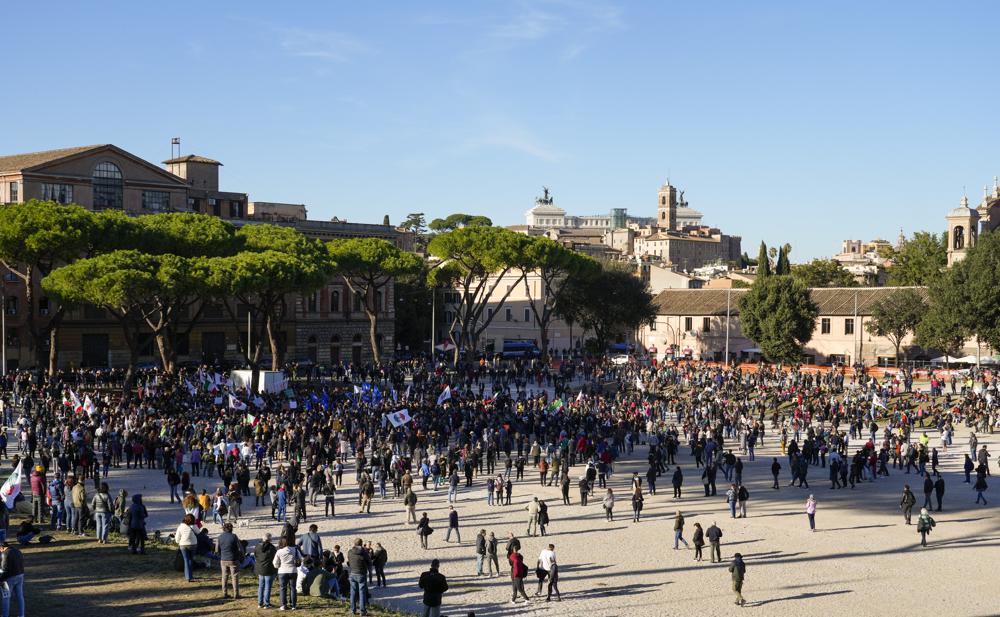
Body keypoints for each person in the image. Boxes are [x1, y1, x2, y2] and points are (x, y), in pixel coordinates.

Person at [273, 536, 303, 610]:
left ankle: (283, 605)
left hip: (282, 571)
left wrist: (278, 566)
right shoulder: (295, 550)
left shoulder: (279, 551)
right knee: (293, 588)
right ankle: (293, 605)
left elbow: (275, 563)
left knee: (283, 588)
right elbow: (300, 559)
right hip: (293, 571)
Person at [215, 522, 243, 599]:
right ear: (231, 529)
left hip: (223, 559)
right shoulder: (234, 536)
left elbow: (217, 550)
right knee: (234, 577)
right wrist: (241, 555)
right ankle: (236, 594)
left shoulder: (220, 537)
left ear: (223, 528)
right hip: (233, 559)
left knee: (224, 577)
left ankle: (224, 593)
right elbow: (240, 548)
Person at [348, 538, 371, 616]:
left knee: (353, 593)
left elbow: (349, 561)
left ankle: (352, 610)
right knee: (362, 593)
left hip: (352, 573)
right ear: (361, 544)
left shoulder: (350, 552)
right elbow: (369, 562)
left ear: (354, 544)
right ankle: (362, 611)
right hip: (361, 574)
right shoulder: (364, 552)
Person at [0, 542, 25, 617]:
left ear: (2, 547)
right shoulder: (18, 551)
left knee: (6, 597)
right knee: (20, 596)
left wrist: (0, 579)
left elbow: (4, 569)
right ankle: (21, 615)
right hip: (20, 575)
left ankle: (5, 615)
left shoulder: (5, 553)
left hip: (8, 578)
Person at [254, 533, 278, 609]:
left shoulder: (257, 546)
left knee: (261, 586)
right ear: (270, 539)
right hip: (269, 569)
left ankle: (260, 603)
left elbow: (255, 556)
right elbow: (275, 559)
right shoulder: (272, 548)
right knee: (267, 587)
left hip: (260, 568)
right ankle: (266, 603)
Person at [175, 514, 199, 582]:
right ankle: (190, 576)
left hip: (183, 545)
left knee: (186, 560)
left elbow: (177, 539)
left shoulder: (180, 527)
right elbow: (198, 532)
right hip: (193, 544)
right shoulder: (193, 526)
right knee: (191, 560)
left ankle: (188, 577)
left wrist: (181, 541)